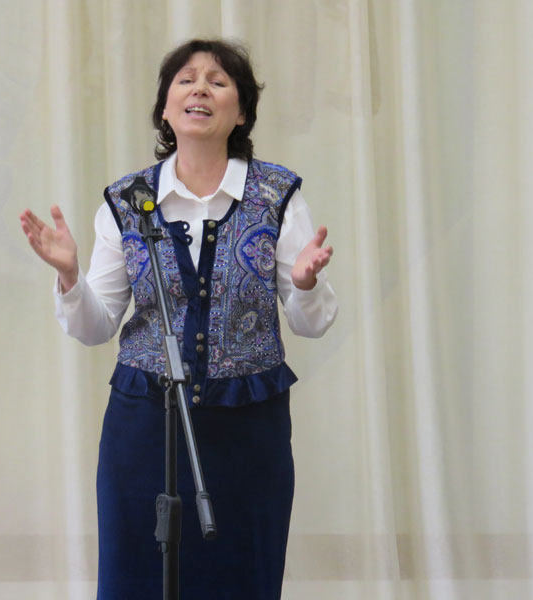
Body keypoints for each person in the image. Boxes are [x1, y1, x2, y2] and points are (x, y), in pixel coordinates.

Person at [20, 38, 337, 600]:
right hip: (144, 427)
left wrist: (307, 283)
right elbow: (97, 325)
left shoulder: (277, 197)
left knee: (241, 577)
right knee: (139, 579)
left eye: (218, 81)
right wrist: (70, 277)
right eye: (186, 80)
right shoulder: (126, 201)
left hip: (247, 431)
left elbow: (310, 323)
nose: (200, 89)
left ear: (242, 113)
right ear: (165, 109)